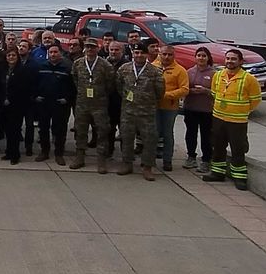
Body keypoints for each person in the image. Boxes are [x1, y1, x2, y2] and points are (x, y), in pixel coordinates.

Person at [203, 48, 262, 190]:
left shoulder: (249, 79)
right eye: (228, 58)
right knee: (217, 146)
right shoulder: (218, 75)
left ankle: (239, 177)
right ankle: (217, 173)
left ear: (240, 61)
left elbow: (255, 100)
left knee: (238, 149)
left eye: (233, 59)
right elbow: (214, 93)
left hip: (237, 121)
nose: (230, 61)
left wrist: (240, 111)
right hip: (218, 118)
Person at [115, 43, 165, 181]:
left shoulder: (155, 71)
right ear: (132, 53)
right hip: (128, 111)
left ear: (147, 54)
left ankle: (147, 167)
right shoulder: (124, 69)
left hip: (147, 112)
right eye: (136, 52)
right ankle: (127, 163)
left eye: (142, 53)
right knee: (126, 138)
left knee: (149, 140)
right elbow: (119, 86)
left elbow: (160, 92)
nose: (139, 55)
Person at [71, 38, 115, 172]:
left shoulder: (105, 65)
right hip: (82, 103)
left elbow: (110, 84)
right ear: (84, 48)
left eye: (92, 47)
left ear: (97, 48)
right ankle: (80, 156)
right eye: (87, 47)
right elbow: (75, 80)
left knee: (102, 131)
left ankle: (101, 159)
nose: (90, 49)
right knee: (80, 130)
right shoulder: (78, 63)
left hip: (99, 104)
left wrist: (100, 94)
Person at [34, 44, 75, 164]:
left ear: (60, 53)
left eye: (55, 52)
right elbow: (35, 83)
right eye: (51, 52)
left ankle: (59, 153)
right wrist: (36, 96)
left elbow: (72, 86)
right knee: (43, 129)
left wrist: (67, 99)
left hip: (60, 104)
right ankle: (44, 152)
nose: (53, 54)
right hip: (44, 103)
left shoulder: (67, 68)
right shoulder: (41, 67)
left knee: (60, 130)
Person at [154, 45, 190, 172]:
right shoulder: (153, 67)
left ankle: (167, 160)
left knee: (168, 134)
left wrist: (167, 95)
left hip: (169, 107)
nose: (166, 57)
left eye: (169, 55)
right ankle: (150, 160)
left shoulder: (180, 70)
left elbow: (185, 89)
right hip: (153, 107)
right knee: (153, 133)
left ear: (174, 56)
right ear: (160, 54)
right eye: (164, 54)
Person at [1, 44, 38, 164]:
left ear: (17, 57)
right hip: (4, 104)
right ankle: (8, 151)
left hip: (16, 105)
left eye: (13, 55)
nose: (11, 57)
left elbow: (24, 89)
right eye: (9, 55)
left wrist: (11, 99)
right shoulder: (3, 69)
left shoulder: (23, 70)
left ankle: (15, 155)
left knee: (15, 130)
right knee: (7, 130)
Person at [183, 47, 215, 172]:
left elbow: (218, 92)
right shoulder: (189, 72)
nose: (201, 58)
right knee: (191, 133)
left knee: (206, 136)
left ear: (208, 58)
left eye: (204, 56)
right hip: (191, 108)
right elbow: (183, 88)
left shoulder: (214, 74)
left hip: (207, 110)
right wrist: (190, 91)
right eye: (199, 55)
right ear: (195, 57)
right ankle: (191, 157)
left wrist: (206, 91)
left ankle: (206, 160)